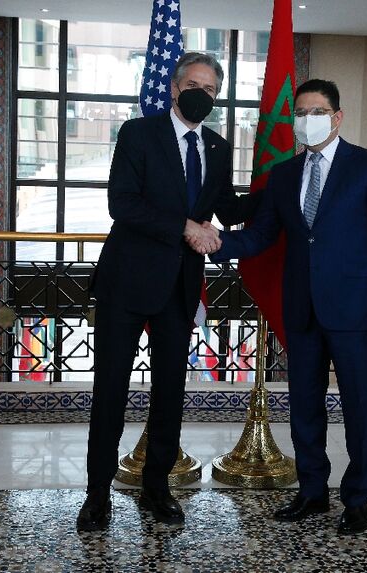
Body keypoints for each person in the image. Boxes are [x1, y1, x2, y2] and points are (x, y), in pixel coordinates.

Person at [207, 79, 367, 535]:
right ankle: (312, 491)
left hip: (358, 310)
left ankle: (357, 497)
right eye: (299, 112)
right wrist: (216, 242)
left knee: (361, 407)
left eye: (315, 111)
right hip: (301, 309)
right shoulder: (284, 175)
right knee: (304, 406)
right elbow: (261, 235)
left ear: (337, 117)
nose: (305, 120)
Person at [77, 52, 260, 531]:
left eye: (213, 90)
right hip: (128, 282)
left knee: (169, 394)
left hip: (180, 288)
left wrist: (284, 181)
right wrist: (184, 226)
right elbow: (123, 204)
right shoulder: (139, 134)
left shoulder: (218, 149)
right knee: (111, 390)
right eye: (196, 85)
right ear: (176, 88)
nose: (204, 94)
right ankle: (97, 493)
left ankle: (156, 486)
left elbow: (228, 210)